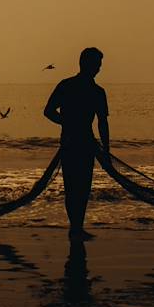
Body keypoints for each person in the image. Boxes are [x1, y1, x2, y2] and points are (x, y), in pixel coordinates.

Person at [43, 47, 109, 241]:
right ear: (87, 64)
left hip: (75, 143)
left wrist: (66, 122)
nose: (99, 68)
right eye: (97, 64)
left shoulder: (68, 86)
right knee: (79, 187)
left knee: (75, 187)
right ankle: (76, 229)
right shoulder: (95, 92)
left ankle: (76, 228)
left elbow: (49, 112)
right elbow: (102, 123)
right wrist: (106, 149)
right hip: (80, 143)